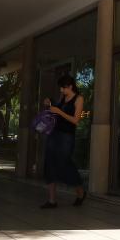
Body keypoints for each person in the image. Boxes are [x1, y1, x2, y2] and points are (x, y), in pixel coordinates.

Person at [41, 74, 86, 208]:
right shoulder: (62, 97)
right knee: (49, 163)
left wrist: (59, 112)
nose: (61, 90)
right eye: (60, 88)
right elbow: (55, 112)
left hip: (67, 136)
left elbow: (76, 120)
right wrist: (49, 104)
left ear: (70, 86)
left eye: (63, 88)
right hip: (54, 134)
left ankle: (80, 192)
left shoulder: (79, 99)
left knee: (64, 163)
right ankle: (52, 200)